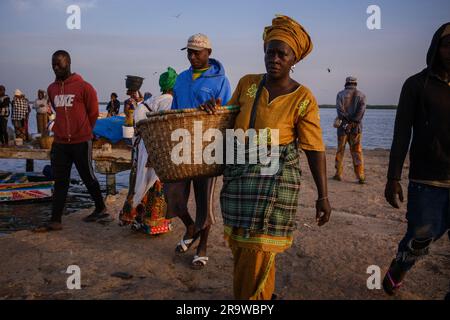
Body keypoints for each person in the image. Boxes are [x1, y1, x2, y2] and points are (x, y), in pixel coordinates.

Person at [208, 15, 331, 300]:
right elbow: (225, 119)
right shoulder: (247, 83)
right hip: (240, 181)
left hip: (273, 185)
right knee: (243, 246)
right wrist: (211, 108)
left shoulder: (303, 97)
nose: (274, 58)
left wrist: (323, 195)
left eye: (281, 53)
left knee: (259, 248)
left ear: (293, 59)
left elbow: (314, 148)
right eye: (269, 52)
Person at [382, 23, 450, 297]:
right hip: (427, 179)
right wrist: (392, 177)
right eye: (447, 44)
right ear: (436, 47)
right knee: (419, 240)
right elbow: (401, 134)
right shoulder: (416, 85)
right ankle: (399, 267)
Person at [164, 33, 232, 269]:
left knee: (204, 202)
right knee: (173, 195)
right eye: (189, 52)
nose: (192, 56)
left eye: (197, 52)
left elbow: (227, 112)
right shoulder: (181, 79)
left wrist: (214, 107)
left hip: (207, 147)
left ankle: (202, 247)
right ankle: (190, 227)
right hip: (181, 145)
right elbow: (173, 113)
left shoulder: (220, 79)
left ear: (208, 53)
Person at [34, 50, 108, 232]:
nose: (55, 67)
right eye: (53, 64)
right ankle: (55, 220)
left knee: (88, 176)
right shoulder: (51, 89)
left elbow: (93, 113)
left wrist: (84, 132)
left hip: (81, 141)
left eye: (59, 64)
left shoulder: (84, 87)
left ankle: (100, 208)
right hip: (60, 143)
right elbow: (57, 111)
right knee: (60, 180)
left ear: (68, 63)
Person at [120, 67, 178, 235]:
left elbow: (139, 120)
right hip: (158, 147)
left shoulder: (152, 100)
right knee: (156, 182)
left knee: (140, 181)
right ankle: (153, 224)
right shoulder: (169, 101)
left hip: (144, 146)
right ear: (173, 86)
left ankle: (136, 219)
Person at [333, 76, 367, 184]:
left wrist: (347, 122)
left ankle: (338, 174)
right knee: (356, 151)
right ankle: (360, 176)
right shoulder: (362, 95)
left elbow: (340, 111)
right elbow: (361, 111)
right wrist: (353, 123)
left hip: (343, 128)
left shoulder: (340, 94)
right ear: (355, 84)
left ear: (346, 83)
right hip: (356, 128)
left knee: (340, 150)